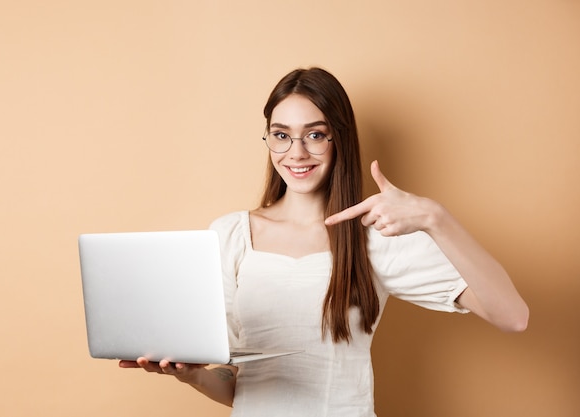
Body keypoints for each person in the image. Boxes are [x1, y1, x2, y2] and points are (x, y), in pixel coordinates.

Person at [119, 67, 529, 416]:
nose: (296, 153)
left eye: (314, 135)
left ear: (339, 140)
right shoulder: (229, 235)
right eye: (281, 135)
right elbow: (240, 383)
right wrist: (193, 375)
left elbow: (513, 316)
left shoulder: (376, 235)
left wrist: (435, 218)